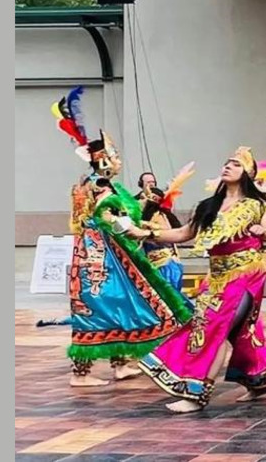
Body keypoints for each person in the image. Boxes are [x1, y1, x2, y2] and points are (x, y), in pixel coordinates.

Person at [126, 147, 266, 412]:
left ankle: (197, 393)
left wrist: (265, 231)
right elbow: (183, 233)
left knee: (214, 327)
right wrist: (144, 233)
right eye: (226, 163)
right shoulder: (208, 206)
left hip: (245, 274)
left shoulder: (257, 206)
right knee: (238, 330)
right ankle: (259, 379)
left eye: (235, 164)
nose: (228, 166)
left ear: (247, 173)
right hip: (216, 276)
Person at [52, 87, 193, 387]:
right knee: (100, 304)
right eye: (114, 156)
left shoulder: (103, 185)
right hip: (100, 255)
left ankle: (120, 364)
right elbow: (106, 218)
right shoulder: (99, 186)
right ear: (102, 160)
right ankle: (81, 373)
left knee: (119, 303)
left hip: (111, 252)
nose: (118, 160)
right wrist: (129, 226)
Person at [138, 163, 196, 295]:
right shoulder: (138, 209)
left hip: (164, 264)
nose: (142, 201)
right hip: (151, 262)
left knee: (167, 295)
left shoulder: (160, 216)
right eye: (148, 183)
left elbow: (168, 233)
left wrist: (147, 231)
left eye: (153, 182)